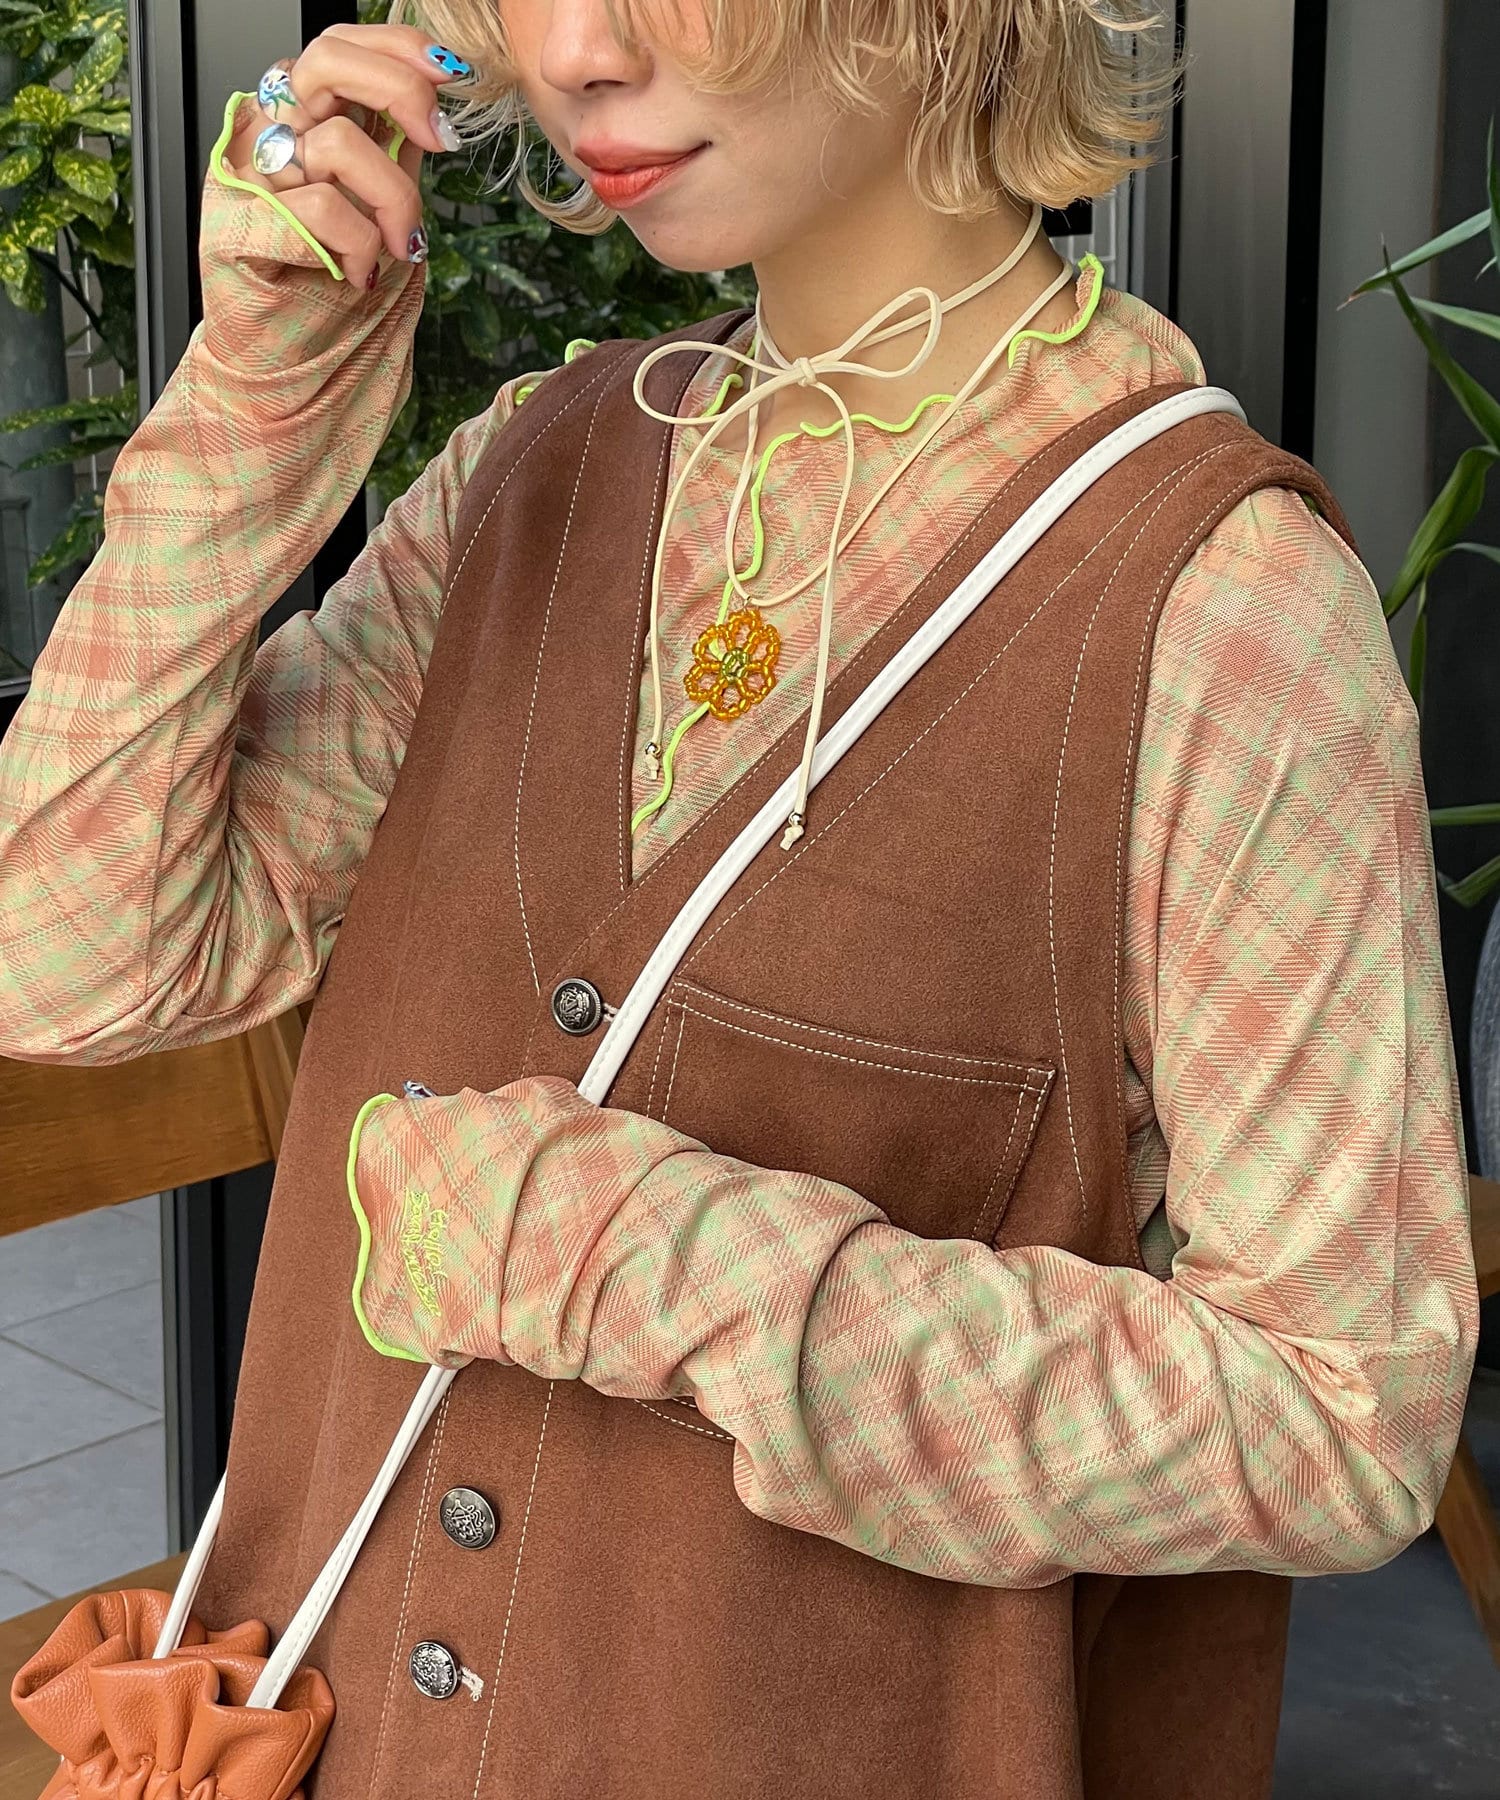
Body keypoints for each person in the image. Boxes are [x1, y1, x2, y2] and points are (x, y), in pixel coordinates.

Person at [0, 3, 1480, 1796]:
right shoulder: (531, 474)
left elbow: (1344, 1419)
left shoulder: (1222, 614)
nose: (576, 52)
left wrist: (671, 1268)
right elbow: (69, 961)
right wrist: (261, 404)